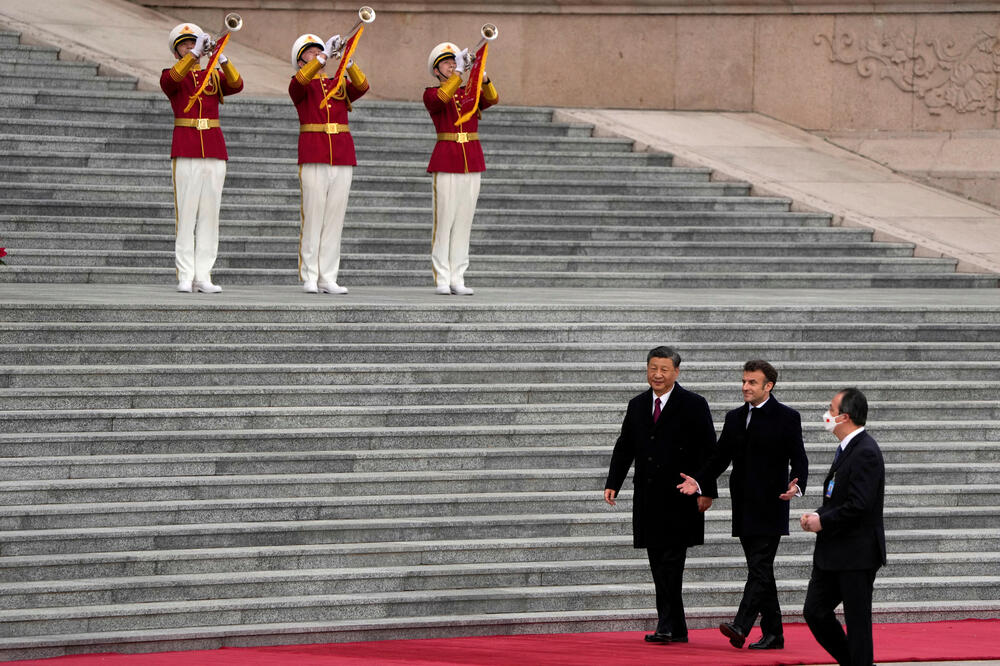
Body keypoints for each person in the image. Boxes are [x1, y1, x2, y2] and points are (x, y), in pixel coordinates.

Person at [677, 360, 808, 650]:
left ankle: (741, 625)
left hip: (772, 504)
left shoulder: (787, 417)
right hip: (744, 505)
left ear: (768, 386)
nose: (745, 387)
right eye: (744, 381)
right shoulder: (735, 417)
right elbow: (719, 457)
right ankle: (774, 634)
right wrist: (698, 480)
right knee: (761, 570)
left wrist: (796, 485)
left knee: (760, 567)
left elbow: (799, 457)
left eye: (752, 382)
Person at [604, 346, 717, 644]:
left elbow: (710, 450)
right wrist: (613, 481)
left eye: (664, 369)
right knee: (658, 562)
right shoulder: (638, 404)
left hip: (680, 496)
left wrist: (707, 490)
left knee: (671, 561)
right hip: (648, 497)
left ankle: (666, 623)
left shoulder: (693, 404)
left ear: (676, 372)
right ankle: (675, 626)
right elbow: (625, 445)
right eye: (653, 368)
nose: (657, 374)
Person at [801, 388, 886, 666]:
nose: (827, 415)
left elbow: (859, 505)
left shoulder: (865, 452)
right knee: (815, 611)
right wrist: (817, 513)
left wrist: (822, 521)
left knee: (858, 623)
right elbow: (839, 497)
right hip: (834, 552)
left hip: (856, 554)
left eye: (831, 410)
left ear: (845, 417)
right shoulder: (847, 448)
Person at [161, 22, 243, 293]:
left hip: (214, 149)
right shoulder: (172, 74)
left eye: (193, 43)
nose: (190, 47)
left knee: (210, 214)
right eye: (185, 45)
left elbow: (237, 84)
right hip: (186, 148)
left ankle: (203, 274)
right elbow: (171, 81)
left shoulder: (212, 77)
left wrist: (222, 58)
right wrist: (195, 55)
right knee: (186, 214)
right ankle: (185, 274)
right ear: (177, 52)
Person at [289, 33, 369, 294]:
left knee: (335, 219)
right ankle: (310, 275)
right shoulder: (300, 83)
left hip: (342, 154)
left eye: (318, 51)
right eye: (310, 53)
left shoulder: (338, 84)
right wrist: (322, 57)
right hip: (314, 153)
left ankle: (328, 276)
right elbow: (298, 85)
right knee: (313, 216)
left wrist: (347, 60)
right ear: (301, 61)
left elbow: (363, 85)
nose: (316, 55)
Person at [423, 41, 498, 295]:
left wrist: (482, 76)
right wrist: (458, 76)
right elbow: (442, 99)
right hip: (446, 159)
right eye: (446, 63)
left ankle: (458, 276)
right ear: (437, 71)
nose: (452, 65)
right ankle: (442, 277)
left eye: (454, 61)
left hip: (471, 160)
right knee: (444, 221)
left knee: (464, 222)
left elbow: (492, 98)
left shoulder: (469, 93)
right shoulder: (431, 93)